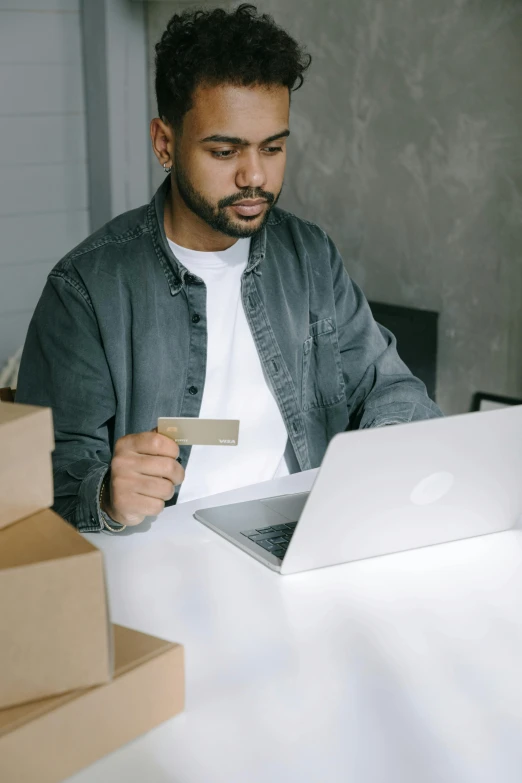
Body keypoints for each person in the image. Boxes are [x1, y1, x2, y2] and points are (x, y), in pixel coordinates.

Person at [16, 4, 442, 534]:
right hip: (160, 552)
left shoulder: (309, 255)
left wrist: (381, 452)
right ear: (164, 143)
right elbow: (43, 483)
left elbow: (392, 389)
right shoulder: (86, 288)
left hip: (302, 531)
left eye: (274, 147)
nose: (255, 175)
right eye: (225, 151)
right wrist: (105, 495)